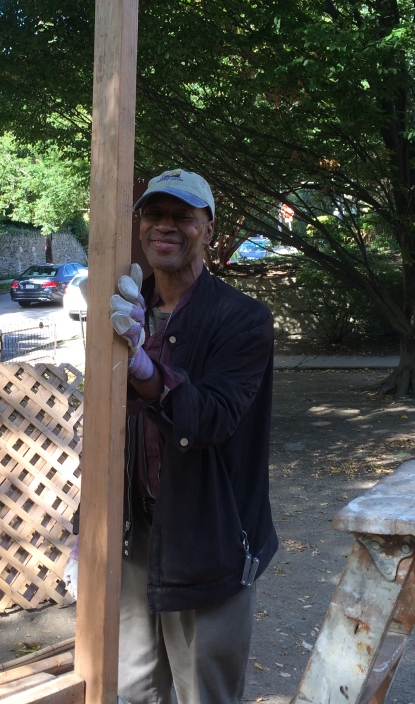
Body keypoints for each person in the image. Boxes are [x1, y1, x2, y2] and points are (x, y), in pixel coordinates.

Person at [109, 169, 278, 704]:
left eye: (182, 216)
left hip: (208, 542)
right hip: (134, 537)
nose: (165, 226)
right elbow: (107, 427)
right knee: (131, 691)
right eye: (154, 214)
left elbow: (213, 417)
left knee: (203, 693)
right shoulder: (123, 310)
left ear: (208, 229)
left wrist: (144, 367)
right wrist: (85, 529)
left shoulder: (243, 319)